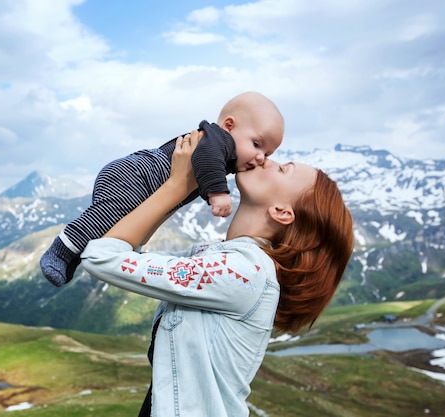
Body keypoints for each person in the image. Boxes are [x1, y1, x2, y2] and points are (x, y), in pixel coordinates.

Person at [80, 130, 355, 417]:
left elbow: (101, 257)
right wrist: (184, 185)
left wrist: (177, 186)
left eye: (283, 169)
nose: (267, 161)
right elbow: (129, 253)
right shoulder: (223, 259)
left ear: (282, 212)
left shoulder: (243, 273)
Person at [40, 91, 285, 287]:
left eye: (268, 153)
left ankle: (72, 257)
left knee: (111, 228)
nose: (261, 157)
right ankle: (61, 250)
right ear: (229, 126)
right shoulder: (218, 141)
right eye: (256, 144)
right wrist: (218, 193)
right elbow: (208, 161)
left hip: (144, 184)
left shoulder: (227, 152)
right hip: (137, 175)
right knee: (106, 215)